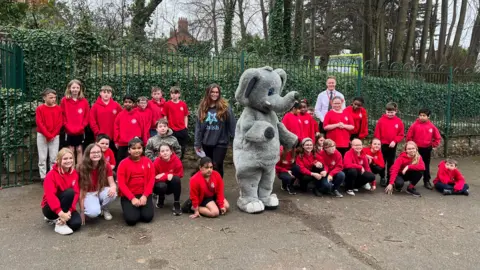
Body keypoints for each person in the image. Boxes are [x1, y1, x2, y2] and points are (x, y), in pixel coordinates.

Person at [194, 83, 236, 177]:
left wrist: (237, 139)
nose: (215, 94)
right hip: (206, 142)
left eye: (217, 92)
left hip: (221, 142)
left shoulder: (225, 107)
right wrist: (197, 143)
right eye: (212, 92)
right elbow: (198, 127)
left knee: (217, 165)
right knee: (208, 166)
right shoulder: (203, 107)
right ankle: (209, 187)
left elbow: (232, 124)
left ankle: (218, 187)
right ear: (208, 93)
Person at [41, 148, 81, 235]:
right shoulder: (51, 175)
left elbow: (77, 193)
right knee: (69, 192)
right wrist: (61, 213)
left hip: (66, 206)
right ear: (59, 160)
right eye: (65, 159)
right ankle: (59, 223)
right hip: (50, 208)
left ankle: (61, 219)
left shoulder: (74, 173)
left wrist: (70, 211)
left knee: (76, 224)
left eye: (70, 158)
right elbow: (50, 195)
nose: (68, 161)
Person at [117, 138, 155, 226]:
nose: (136, 150)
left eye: (139, 148)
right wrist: (132, 198)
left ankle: (141, 208)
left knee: (147, 218)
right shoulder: (123, 164)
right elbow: (121, 184)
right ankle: (128, 209)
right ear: (129, 150)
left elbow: (151, 180)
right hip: (129, 196)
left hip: (144, 194)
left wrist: (145, 196)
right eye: (133, 148)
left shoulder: (148, 161)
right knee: (132, 220)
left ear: (142, 149)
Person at [78, 144, 117, 224]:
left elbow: (112, 184)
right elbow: (81, 191)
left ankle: (104, 208)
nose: (96, 154)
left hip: (100, 190)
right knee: (93, 213)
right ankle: (97, 208)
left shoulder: (106, 165)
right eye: (93, 152)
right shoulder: (81, 167)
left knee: (113, 194)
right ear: (88, 154)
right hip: (88, 193)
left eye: (98, 152)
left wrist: (113, 188)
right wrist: (82, 211)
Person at [406, 108, 441, 190]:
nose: (421, 117)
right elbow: (409, 137)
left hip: (427, 149)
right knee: (414, 164)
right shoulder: (414, 125)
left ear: (428, 116)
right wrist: (412, 146)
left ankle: (426, 181)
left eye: (424, 115)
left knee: (425, 165)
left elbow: (437, 137)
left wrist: (433, 145)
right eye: (420, 115)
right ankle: (412, 181)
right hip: (416, 150)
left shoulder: (431, 126)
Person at [374, 102, 404, 187]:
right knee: (381, 162)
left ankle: (390, 178)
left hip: (393, 145)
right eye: (388, 112)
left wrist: (395, 141)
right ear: (385, 111)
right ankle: (382, 177)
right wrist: (378, 144)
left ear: (396, 111)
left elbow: (401, 134)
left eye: (392, 112)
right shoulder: (381, 121)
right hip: (382, 145)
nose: (390, 114)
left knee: (391, 163)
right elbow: (377, 133)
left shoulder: (399, 122)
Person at [36, 88, 63, 181]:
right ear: (44, 98)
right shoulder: (40, 109)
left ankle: (52, 176)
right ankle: (43, 177)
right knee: (42, 157)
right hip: (42, 135)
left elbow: (60, 123)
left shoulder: (58, 109)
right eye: (51, 97)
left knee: (54, 158)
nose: (53, 99)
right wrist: (48, 135)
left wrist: (53, 135)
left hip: (55, 136)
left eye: (54, 98)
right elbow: (39, 123)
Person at [60, 79, 90, 164]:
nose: (75, 89)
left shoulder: (84, 101)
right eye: (73, 87)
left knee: (79, 149)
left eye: (77, 87)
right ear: (69, 88)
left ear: (80, 89)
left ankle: (79, 169)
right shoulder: (64, 100)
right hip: (68, 130)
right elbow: (62, 115)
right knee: (71, 150)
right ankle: (71, 169)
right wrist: (66, 125)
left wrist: (82, 126)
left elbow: (87, 116)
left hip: (80, 130)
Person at [114, 94, 149, 165]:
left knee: (136, 162)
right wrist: (116, 141)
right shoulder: (120, 115)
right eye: (125, 102)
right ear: (123, 103)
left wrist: (144, 142)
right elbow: (116, 128)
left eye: (130, 102)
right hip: (123, 144)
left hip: (135, 144)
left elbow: (143, 129)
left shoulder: (138, 115)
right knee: (121, 162)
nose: (127, 104)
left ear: (133, 104)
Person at [89, 85, 122, 156]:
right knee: (100, 155)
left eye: (108, 92)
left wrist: (118, 133)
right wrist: (97, 133)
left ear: (111, 94)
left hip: (113, 137)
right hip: (100, 137)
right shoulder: (95, 106)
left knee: (112, 155)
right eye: (104, 92)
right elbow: (92, 121)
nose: (106, 94)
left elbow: (121, 118)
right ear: (100, 93)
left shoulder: (116, 105)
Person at [153, 144, 184, 215]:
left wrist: (163, 175)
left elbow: (180, 174)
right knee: (161, 186)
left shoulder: (176, 160)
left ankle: (176, 203)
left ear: (171, 152)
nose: (165, 153)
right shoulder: (156, 162)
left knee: (176, 179)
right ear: (159, 153)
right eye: (162, 151)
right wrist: (166, 176)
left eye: (167, 150)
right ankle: (161, 197)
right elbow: (153, 178)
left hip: (171, 185)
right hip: (160, 185)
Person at [163, 86, 190, 159]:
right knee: (171, 147)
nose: (174, 95)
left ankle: (180, 161)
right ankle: (172, 161)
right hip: (172, 129)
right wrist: (166, 127)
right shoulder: (167, 104)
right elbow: (165, 116)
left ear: (179, 94)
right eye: (172, 93)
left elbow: (185, 116)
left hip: (182, 129)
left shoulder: (183, 104)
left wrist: (185, 127)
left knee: (182, 147)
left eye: (176, 93)